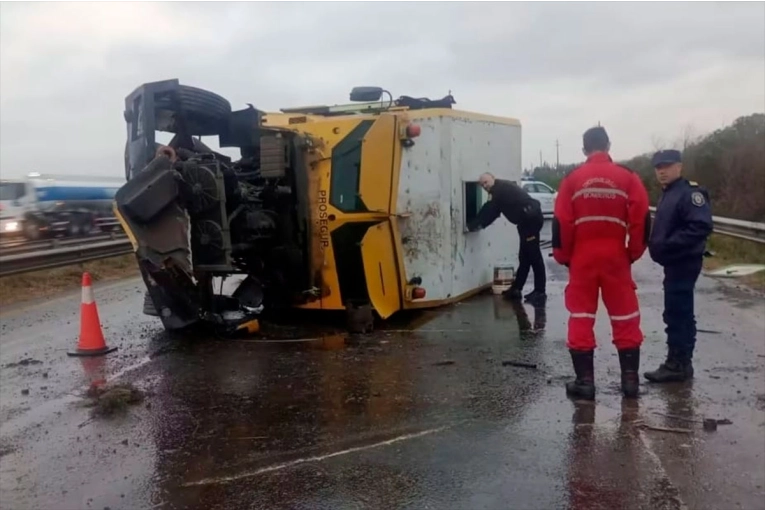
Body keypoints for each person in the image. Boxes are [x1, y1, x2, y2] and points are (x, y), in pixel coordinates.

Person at [552, 126, 651, 399]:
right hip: (616, 257)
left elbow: (562, 223)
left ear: (584, 149)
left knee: (581, 316)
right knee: (625, 315)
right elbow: (641, 218)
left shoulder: (572, 180)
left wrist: (565, 257)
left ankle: (585, 383)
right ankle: (630, 382)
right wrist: (634, 252)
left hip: (582, 258)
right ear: (608, 145)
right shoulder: (628, 177)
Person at [644, 149, 713, 383]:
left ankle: (679, 364)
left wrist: (668, 245)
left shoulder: (690, 193)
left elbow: (700, 227)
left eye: (667, 166)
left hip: (684, 261)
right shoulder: (669, 193)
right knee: (676, 311)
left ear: (679, 166)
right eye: (658, 167)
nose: (662, 171)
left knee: (678, 313)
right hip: (674, 262)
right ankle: (680, 361)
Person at [467, 172, 546, 305]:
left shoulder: (498, 190)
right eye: (482, 185)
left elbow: (489, 210)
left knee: (534, 257)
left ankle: (540, 291)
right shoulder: (500, 188)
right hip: (525, 222)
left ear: (493, 178)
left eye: (486, 182)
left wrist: (473, 225)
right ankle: (516, 289)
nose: (485, 186)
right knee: (524, 257)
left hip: (530, 220)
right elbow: (493, 210)